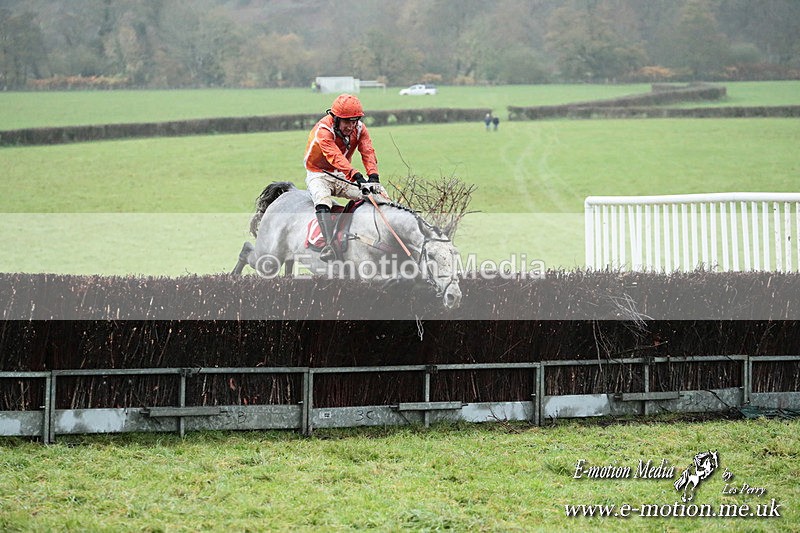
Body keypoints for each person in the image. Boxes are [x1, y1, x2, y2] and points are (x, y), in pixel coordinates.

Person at [304, 93, 387, 261]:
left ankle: (387, 236)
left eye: (354, 121)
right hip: (319, 174)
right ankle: (328, 246)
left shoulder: (360, 129)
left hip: (342, 174)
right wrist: (356, 175)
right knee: (322, 199)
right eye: (347, 121)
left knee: (380, 194)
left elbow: (368, 151)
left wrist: (373, 176)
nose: (351, 126)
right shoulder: (323, 130)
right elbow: (335, 156)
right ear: (335, 119)